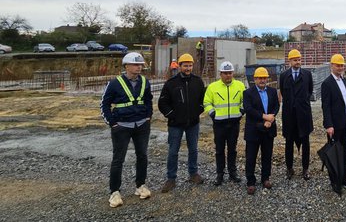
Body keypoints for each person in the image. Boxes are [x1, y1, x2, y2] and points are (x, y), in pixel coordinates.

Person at [100, 52, 153, 208]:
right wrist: (112, 123)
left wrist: (148, 116)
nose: (139, 67)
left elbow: (148, 100)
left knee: (142, 155)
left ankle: (140, 185)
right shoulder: (115, 83)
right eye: (136, 65)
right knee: (118, 159)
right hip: (122, 126)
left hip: (142, 125)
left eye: (141, 65)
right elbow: (104, 104)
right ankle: (114, 192)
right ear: (127, 66)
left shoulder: (145, 81)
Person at [158, 53, 205, 193]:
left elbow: (204, 99)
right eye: (185, 66)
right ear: (179, 66)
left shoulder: (198, 81)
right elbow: (162, 103)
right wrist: (172, 115)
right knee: (173, 151)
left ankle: (193, 174)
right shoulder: (171, 83)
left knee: (193, 149)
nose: (188, 68)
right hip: (175, 125)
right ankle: (171, 178)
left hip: (193, 123)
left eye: (190, 65)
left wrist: (198, 112)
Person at [203, 61, 245, 186]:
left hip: (234, 123)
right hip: (219, 124)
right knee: (219, 150)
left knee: (232, 150)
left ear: (233, 73)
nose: (228, 75)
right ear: (220, 74)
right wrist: (212, 114)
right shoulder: (212, 87)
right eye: (225, 73)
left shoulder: (240, 85)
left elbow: (245, 100)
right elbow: (207, 102)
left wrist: (241, 111)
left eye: (230, 73)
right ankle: (220, 174)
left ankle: (233, 173)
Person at [321, 54, 346, 193]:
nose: (340, 67)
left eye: (342, 65)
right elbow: (326, 106)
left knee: (345, 152)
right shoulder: (327, 83)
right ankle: (335, 182)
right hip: (334, 126)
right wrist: (328, 125)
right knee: (334, 154)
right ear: (332, 66)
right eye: (338, 65)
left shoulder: (344, 81)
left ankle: (344, 179)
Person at [243, 67, 280, 195]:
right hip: (254, 130)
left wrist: (271, 118)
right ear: (255, 79)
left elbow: (276, 106)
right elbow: (248, 109)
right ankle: (251, 182)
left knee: (267, 155)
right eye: (260, 78)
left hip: (268, 129)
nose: (262, 80)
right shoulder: (248, 93)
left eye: (264, 78)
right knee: (251, 157)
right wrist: (264, 117)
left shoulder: (272, 91)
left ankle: (265, 178)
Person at [278, 49, 314, 180]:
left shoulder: (307, 75)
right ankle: (289, 168)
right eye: (295, 60)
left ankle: (305, 169)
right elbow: (282, 90)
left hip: (303, 114)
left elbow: (310, 91)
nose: (297, 62)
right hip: (289, 115)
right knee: (289, 143)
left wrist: (301, 103)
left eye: (299, 59)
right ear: (290, 61)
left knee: (306, 142)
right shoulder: (283, 76)